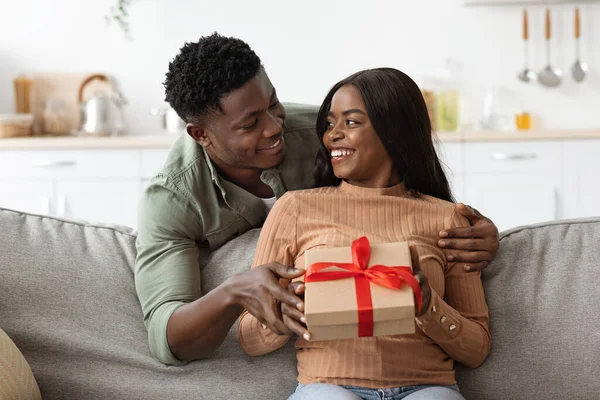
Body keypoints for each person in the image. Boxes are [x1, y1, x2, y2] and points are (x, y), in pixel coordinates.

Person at [135, 33, 499, 366]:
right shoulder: (172, 199)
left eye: (273, 103)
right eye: (250, 125)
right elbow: (168, 338)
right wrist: (234, 290)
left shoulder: (323, 130)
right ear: (201, 135)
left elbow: (411, 195)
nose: (275, 126)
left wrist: (475, 228)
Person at [238, 68, 490, 400]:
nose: (332, 136)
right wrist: (282, 318)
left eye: (351, 122)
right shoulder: (295, 209)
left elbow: (477, 349)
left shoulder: (447, 218)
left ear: (394, 131)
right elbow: (247, 337)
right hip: (328, 386)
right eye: (330, 124)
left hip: (427, 386)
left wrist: (429, 308)